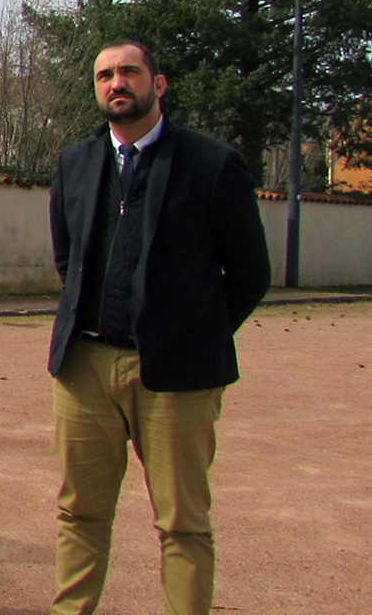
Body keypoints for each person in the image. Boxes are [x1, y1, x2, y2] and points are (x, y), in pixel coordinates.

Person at [45, 41, 270, 615]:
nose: (115, 83)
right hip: (86, 366)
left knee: (182, 523)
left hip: (175, 375)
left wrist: (192, 335)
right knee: (80, 513)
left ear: (158, 83)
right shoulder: (74, 162)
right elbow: (68, 260)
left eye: (128, 72)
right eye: (104, 75)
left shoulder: (211, 164)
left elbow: (250, 274)